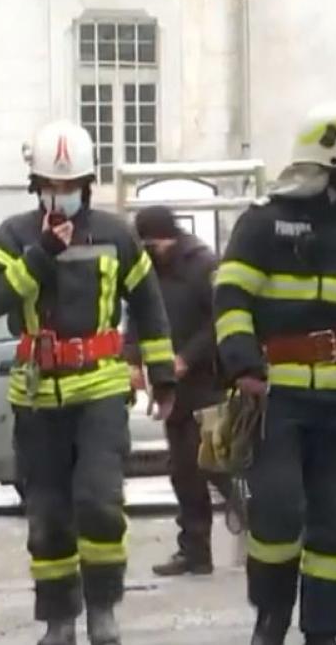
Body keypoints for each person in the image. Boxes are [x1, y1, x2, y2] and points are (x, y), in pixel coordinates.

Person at [213, 101, 336, 645]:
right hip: (278, 403)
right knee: (277, 515)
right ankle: (271, 615)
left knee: (335, 524)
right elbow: (231, 299)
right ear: (334, 161)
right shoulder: (261, 225)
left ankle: (324, 631)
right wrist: (242, 363)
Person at [0, 120, 177, 645]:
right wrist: (40, 253)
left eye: (69, 187)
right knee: (47, 515)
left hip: (100, 392)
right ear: (36, 186)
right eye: (51, 186)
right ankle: (59, 620)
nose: (60, 196)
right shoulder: (13, 236)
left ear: (87, 185)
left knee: (98, 502)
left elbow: (149, 304)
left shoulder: (115, 235)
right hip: (37, 397)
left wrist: (162, 375)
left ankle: (104, 609)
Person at [129, 205, 238, 577]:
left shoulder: (203, 265)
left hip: (207, 382)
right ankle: (194, 550)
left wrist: (188, 357)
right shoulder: (149, 271)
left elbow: (220, 321)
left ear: (169, 238)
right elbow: (138, 316)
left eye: (153, 244)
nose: (149, 252)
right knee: (184, 470)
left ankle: (264, 531)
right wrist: (133, 361)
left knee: (219, 466)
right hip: (171, 387)